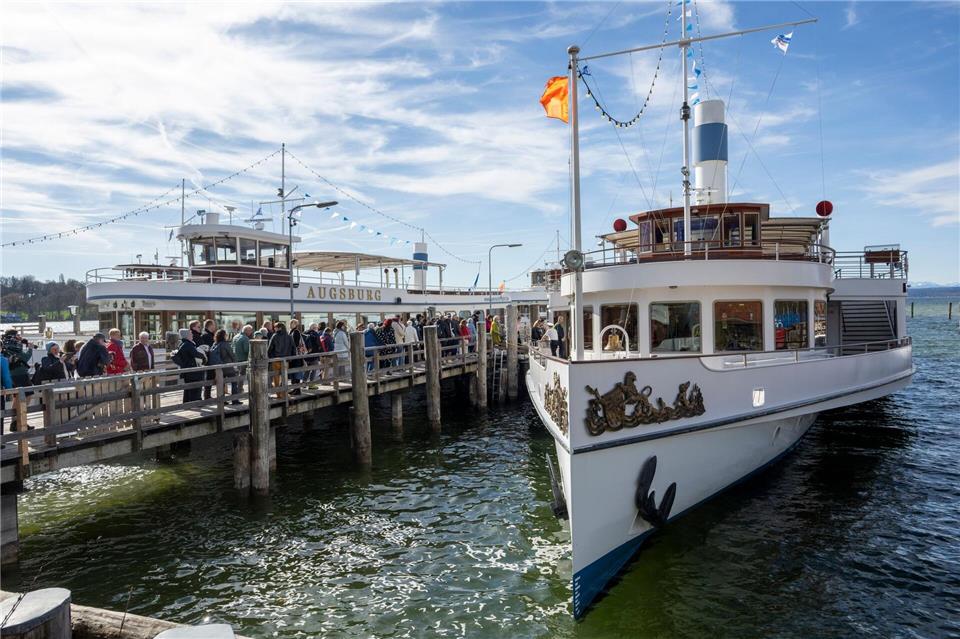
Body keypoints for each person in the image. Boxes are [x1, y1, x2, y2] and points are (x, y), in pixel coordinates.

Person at [172, 328, 205, 403]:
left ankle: (187, 403)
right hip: (191, 370)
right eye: (190, 334)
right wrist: (204, 355)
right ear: (187, 336)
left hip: (187, 369)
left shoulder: (183, 344)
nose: (192, 335)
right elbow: (195, 354)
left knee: (188, 388)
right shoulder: (188, 345)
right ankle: (195, 402)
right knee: (194, 387)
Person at [211, 329, 241, 402]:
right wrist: (236, 364)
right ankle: (235, 400)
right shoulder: (225, 344)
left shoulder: (215, 344)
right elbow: (232, 355)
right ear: (224, 336)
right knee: (234, 382)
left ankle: (223, 401)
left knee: (222, 384)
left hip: (219, 368)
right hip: (228, 367)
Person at [267, 321, 295, 394]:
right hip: (286, 360)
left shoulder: (275, 336)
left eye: (275, 327)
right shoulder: (289, 336)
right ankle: (284, 394)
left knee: (276, 378)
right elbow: (293, 348)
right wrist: (291, 359)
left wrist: (271, 358)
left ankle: (278, 394)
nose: (274, 329)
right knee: (284, 378)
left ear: (279, 328)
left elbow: (269, 349)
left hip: (276, 359)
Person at [232, 324, 253, 394]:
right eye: (250, 330)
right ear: (247, 331)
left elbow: (232, 347)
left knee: (238, 374)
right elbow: (247, 350)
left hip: (235, 359)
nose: (251, 332)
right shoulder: (245, 338)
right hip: (243, 359)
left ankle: (237, 389)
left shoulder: (235, 337)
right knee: (242, 375)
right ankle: (239, 389)